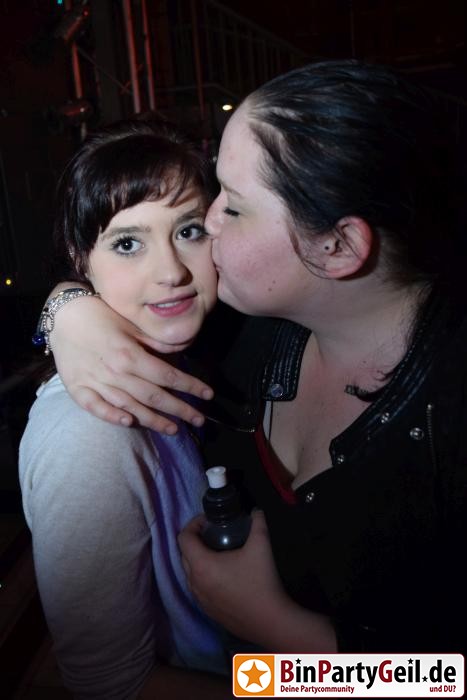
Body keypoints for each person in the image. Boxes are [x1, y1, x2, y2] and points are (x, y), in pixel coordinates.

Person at [41, 60, 467, 654]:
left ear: (338, 246)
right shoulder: (244, 325)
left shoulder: (448, 421)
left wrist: (279, 638)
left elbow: (443, 681)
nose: (208, 221)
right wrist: (66, 311)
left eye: (233, 207)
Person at [19, 117, 234, 699]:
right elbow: (111, 685)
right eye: (128, 243)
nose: (172, 272)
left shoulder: (205, 355)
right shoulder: (87, 435)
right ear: (79, 258)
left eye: (189, 230)